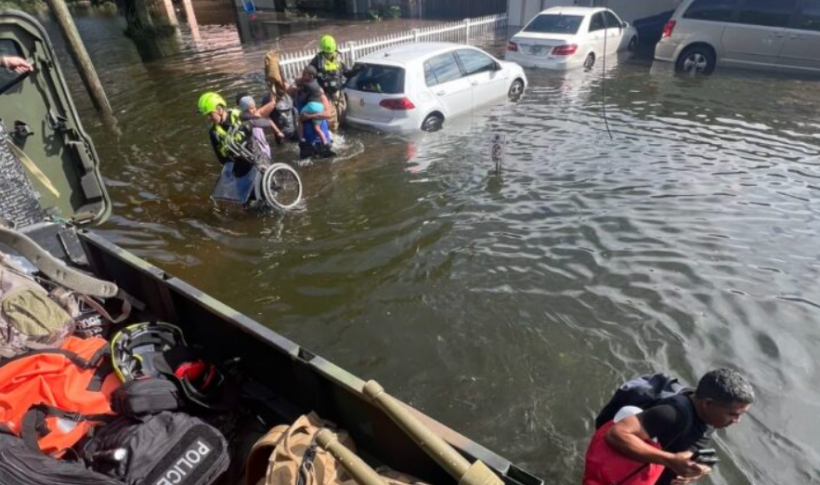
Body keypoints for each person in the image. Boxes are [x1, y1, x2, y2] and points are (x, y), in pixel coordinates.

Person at [603, 368, 755, 485]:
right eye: (733, 414)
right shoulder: (672, 414)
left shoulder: (710, 416)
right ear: (708, 403)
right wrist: (671, 460)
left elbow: (693, 446)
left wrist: (698, 470)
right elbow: (616, 434)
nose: (737, 420)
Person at [197, 91, 273, 176]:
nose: (209, 118)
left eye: (210, 114)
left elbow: (266, 123)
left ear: (219, 109)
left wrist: (250, 124)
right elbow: (222, 159)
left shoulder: (239, 116)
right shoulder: (214, 133)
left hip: (258, 161)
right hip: (239, 169)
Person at [308, 35, 349, 131]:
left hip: (338, 92)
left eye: (330, 53)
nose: (329, 55)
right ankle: (332, 134)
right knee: (330, 118)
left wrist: (357, 70)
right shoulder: (317, 60)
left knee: (342, 114)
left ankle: (341, 131)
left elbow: (347, 72)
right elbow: (310, 75)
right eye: (327, 53)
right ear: (322, 51)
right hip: (325, 93)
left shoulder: (338, 58)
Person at [293, 66, 330, 147]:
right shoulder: (296, 95)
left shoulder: (321, 96)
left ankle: (325, 143)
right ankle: (302, 141)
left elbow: (327, 114)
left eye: (303, 77)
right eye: (298, 84)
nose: (300, 86)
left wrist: (310, 116)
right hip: (308, 142)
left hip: (319, 139)